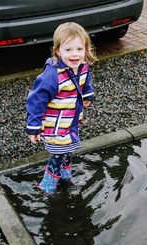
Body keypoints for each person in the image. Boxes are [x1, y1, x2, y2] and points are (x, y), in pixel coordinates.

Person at [26, 22, 97, 192]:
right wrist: (33, 126)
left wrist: (87, 94)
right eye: (68, 50)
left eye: (79, 49)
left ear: (86, 49)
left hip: (70, 120)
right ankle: (47, 185)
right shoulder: (52, 76)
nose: (75, 54)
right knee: (58, 153)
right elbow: (36, 100)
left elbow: (86, 80)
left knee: (68, 149)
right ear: (57, 51)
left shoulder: (82, 66)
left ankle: (65, 176)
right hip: (55, 124)